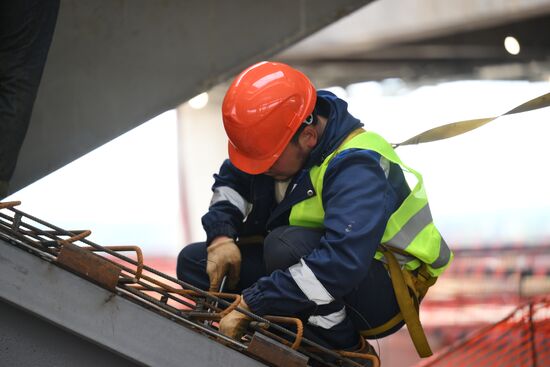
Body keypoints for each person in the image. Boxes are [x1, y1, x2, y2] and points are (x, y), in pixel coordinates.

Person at [176, 61, 452, 358]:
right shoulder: (281, 141)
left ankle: (345, 350)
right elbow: (233, 182)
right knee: (194, 262)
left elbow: (340, 263)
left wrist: (252, 303)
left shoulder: (357, 165)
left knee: (283, 246)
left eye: (268, 162)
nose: (263, 169)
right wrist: (221, 237)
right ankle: (273, 333)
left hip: (376, 289)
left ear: (307, 138)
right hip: (313, 263)